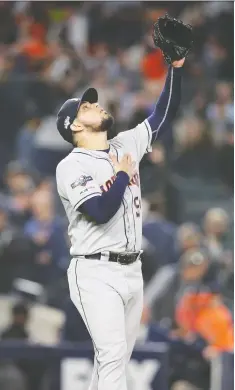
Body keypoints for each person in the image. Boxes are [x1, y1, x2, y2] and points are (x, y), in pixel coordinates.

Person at [56, 54, 184, 390]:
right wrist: (123, 175)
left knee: (114, 362)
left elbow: (162, 117)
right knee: (112, 356)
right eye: (86, 108)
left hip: (132, 269)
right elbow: (99, 211)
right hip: (95, 271)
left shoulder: (124, 144)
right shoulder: (71, 166)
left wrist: (176, 67)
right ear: (75, 126)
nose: (96, 107)